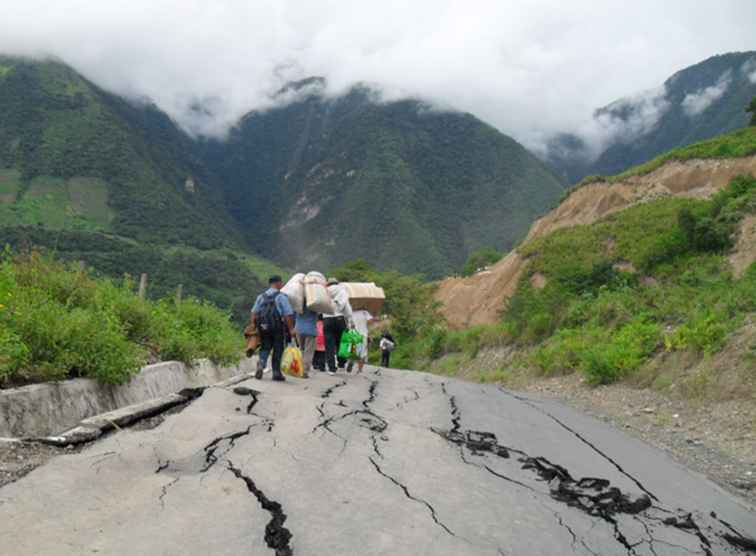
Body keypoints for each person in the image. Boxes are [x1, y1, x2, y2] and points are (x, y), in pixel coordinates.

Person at [251, 276, 295, 381]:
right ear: (278, 283)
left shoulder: (261, 297)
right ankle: (276, 373)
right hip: (277, 327)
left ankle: (261, 363)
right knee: (278, 349)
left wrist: (254, 326)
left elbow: (254, 313)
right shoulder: (281, 297)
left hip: (263, 327)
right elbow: (288, 315)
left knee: (265, 346)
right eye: (281, 283)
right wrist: (291, 329)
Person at [323, 277, 353, 376]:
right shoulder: (342, 291)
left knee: (329, 344)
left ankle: (332, 368)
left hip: (327, 320)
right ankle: (341, 364)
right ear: (337, 283)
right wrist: (350, 320)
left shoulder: (324, 291)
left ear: (328, 284)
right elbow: (347, 308)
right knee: (342, 342)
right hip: (340, 319)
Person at [346, 309, 374, 373]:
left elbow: (350, 326)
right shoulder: (365, 312)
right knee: (362, 353)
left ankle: (351, 361)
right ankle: (360, 369)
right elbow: (371, 321)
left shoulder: (351, 313)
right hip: (363, 335)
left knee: (353, 351)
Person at [295, 305, 318, 379]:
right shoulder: (314, 304)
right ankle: (304, 371)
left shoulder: (297, 303)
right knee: (308, 351)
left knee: (301, 349)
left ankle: (298, 368)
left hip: (299, 329)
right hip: (310, 330)